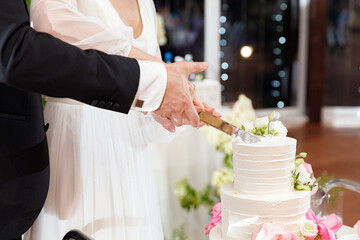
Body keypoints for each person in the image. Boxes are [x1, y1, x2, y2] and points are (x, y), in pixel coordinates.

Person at [0, 0, 210, 239]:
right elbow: (50, 25)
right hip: (80, 148)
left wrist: (166, 104)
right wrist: (159, 76)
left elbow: (144, 92)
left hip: (131, 161)